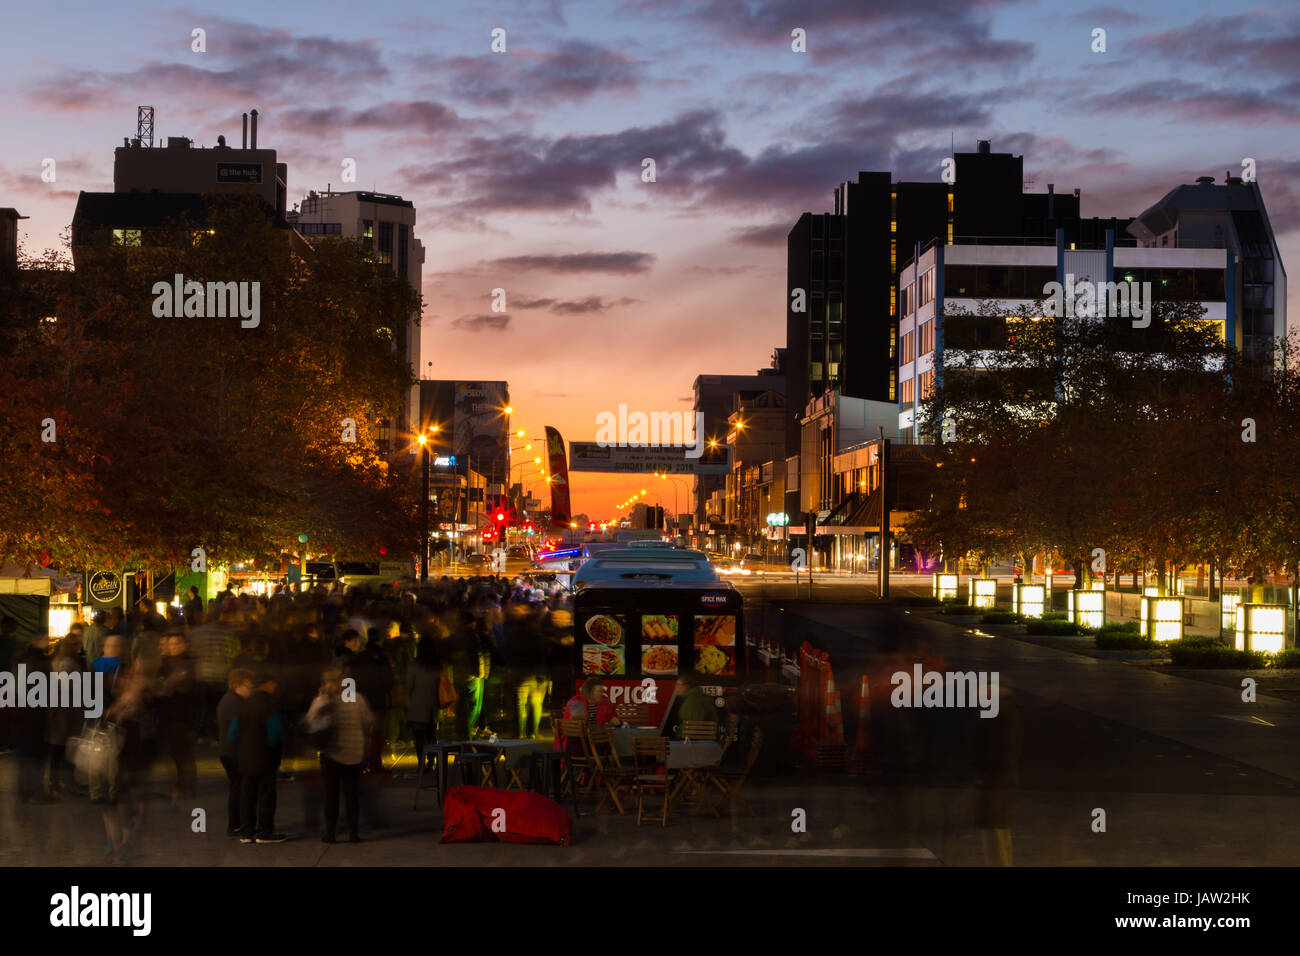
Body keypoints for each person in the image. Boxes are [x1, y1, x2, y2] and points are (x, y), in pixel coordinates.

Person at [305, 669, 374, 843]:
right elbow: (369, 722)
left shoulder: (322, 700)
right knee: (352, 794)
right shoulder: (357, 699)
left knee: (331, 795)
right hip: (354, 753)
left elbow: (310, 722)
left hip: (331, 754)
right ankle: (353, 833)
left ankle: (330, 834)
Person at [228, 674, 287, 844]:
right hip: (266, 759)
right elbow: (276, 732)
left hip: (245, 760)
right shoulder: (269, 705)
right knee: (266, 796)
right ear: (267, 684)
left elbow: (232, 734)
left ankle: (246, 832)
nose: (275, 686)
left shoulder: (243, 705)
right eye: (273, 683)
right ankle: (264, 832)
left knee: (247, 796)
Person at [157, 633, 198, 799]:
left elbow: (178, 686)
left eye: (176, 644)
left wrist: (167, 683)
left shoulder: (186, 664)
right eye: (170, 644)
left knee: (182, 752)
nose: (172, 647)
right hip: (169, 713)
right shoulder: (167, 663)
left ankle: (185, 787)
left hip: (182, 713)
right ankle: (180, 786)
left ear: (184, 645)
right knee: (176, 752)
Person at [48, 628, 88, 797]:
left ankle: (60, 782)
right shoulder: (67, 663)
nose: (78, 646)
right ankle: (62, 783)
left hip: (64, 711)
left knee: (61, 748)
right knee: (63, 748)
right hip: (66, 712)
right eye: (75, 644)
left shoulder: (60, 661)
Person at [15, 634, 53, 803]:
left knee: (24, 753)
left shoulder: (19, 659)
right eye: (44, 640)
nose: (47, 642)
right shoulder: (42, 662)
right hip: (36, 712)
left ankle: (24, 790)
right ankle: (36, 791)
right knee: (37, 754)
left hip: (22, 712)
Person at [217, 668, 255, 837]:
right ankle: (236, 824)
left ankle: (235, 824)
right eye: (248, 685)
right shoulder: (234, 703)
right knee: (239, 789)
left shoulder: (228, 700)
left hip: (227, 751)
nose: (251, 689)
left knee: (236, 788)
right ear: (238, 684)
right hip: (233, 753)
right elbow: (239, 729)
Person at [405, 631, 444, 760]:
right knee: (432, 735)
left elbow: (409, 686)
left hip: (418, 705)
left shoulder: (415, 665)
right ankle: (432, 761)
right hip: (433, 705)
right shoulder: (438, 665)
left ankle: (421, 762)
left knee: (419, 736)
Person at [673, 671, 717, 736]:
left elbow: (693, 729)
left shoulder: (693, 701)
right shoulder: (698, 697)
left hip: (698, 742)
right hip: (705, 740)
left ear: (687, 685)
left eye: (678, 684)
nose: (676, 687)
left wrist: (676, 739)